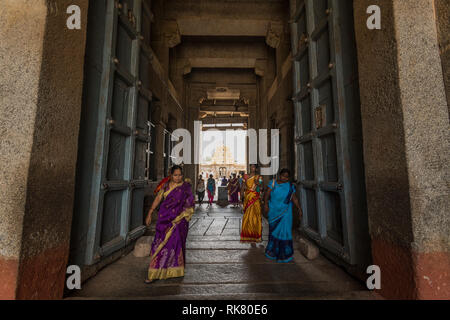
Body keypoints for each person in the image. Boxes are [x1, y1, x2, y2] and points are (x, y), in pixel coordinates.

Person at [144, 165, 194, 283]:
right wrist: (150, 212)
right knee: (160, 245)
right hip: (164, 219)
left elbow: (190, 203)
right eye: (175, 175)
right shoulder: (165, 186)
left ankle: (173, 269)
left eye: (180, 175)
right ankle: (154, 272)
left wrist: (182, 215)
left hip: (179, 221)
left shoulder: (185, 187)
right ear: (171, 175)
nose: (178, 177)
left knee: (175, 244)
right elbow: (158, 199)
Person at [264, 168, 302, 263]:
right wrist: (265, 204)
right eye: (283, 176)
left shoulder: (290, 186)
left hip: (285, 213)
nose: (284, 178)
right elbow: (267, 194)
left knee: (285, 232)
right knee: (273, 232)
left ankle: (284, 254)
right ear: (279, 175)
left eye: (286, 177)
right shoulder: (273, 183)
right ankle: (272, 252)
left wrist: (299, 209)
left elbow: (294, 199)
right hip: (273, 211)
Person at [240, 164, 263, 242]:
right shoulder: (245, 176)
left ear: (256, 169)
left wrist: (258, 183)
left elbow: (261, 187)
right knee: (248, 215)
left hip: (255, 198)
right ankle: (248, 234)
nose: (251, 168)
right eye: (250, 166)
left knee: (256, 215)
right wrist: (241, 196)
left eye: (253, 167)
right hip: (247, 198)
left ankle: (257, 235)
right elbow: (242, 186)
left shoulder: (259, 177)